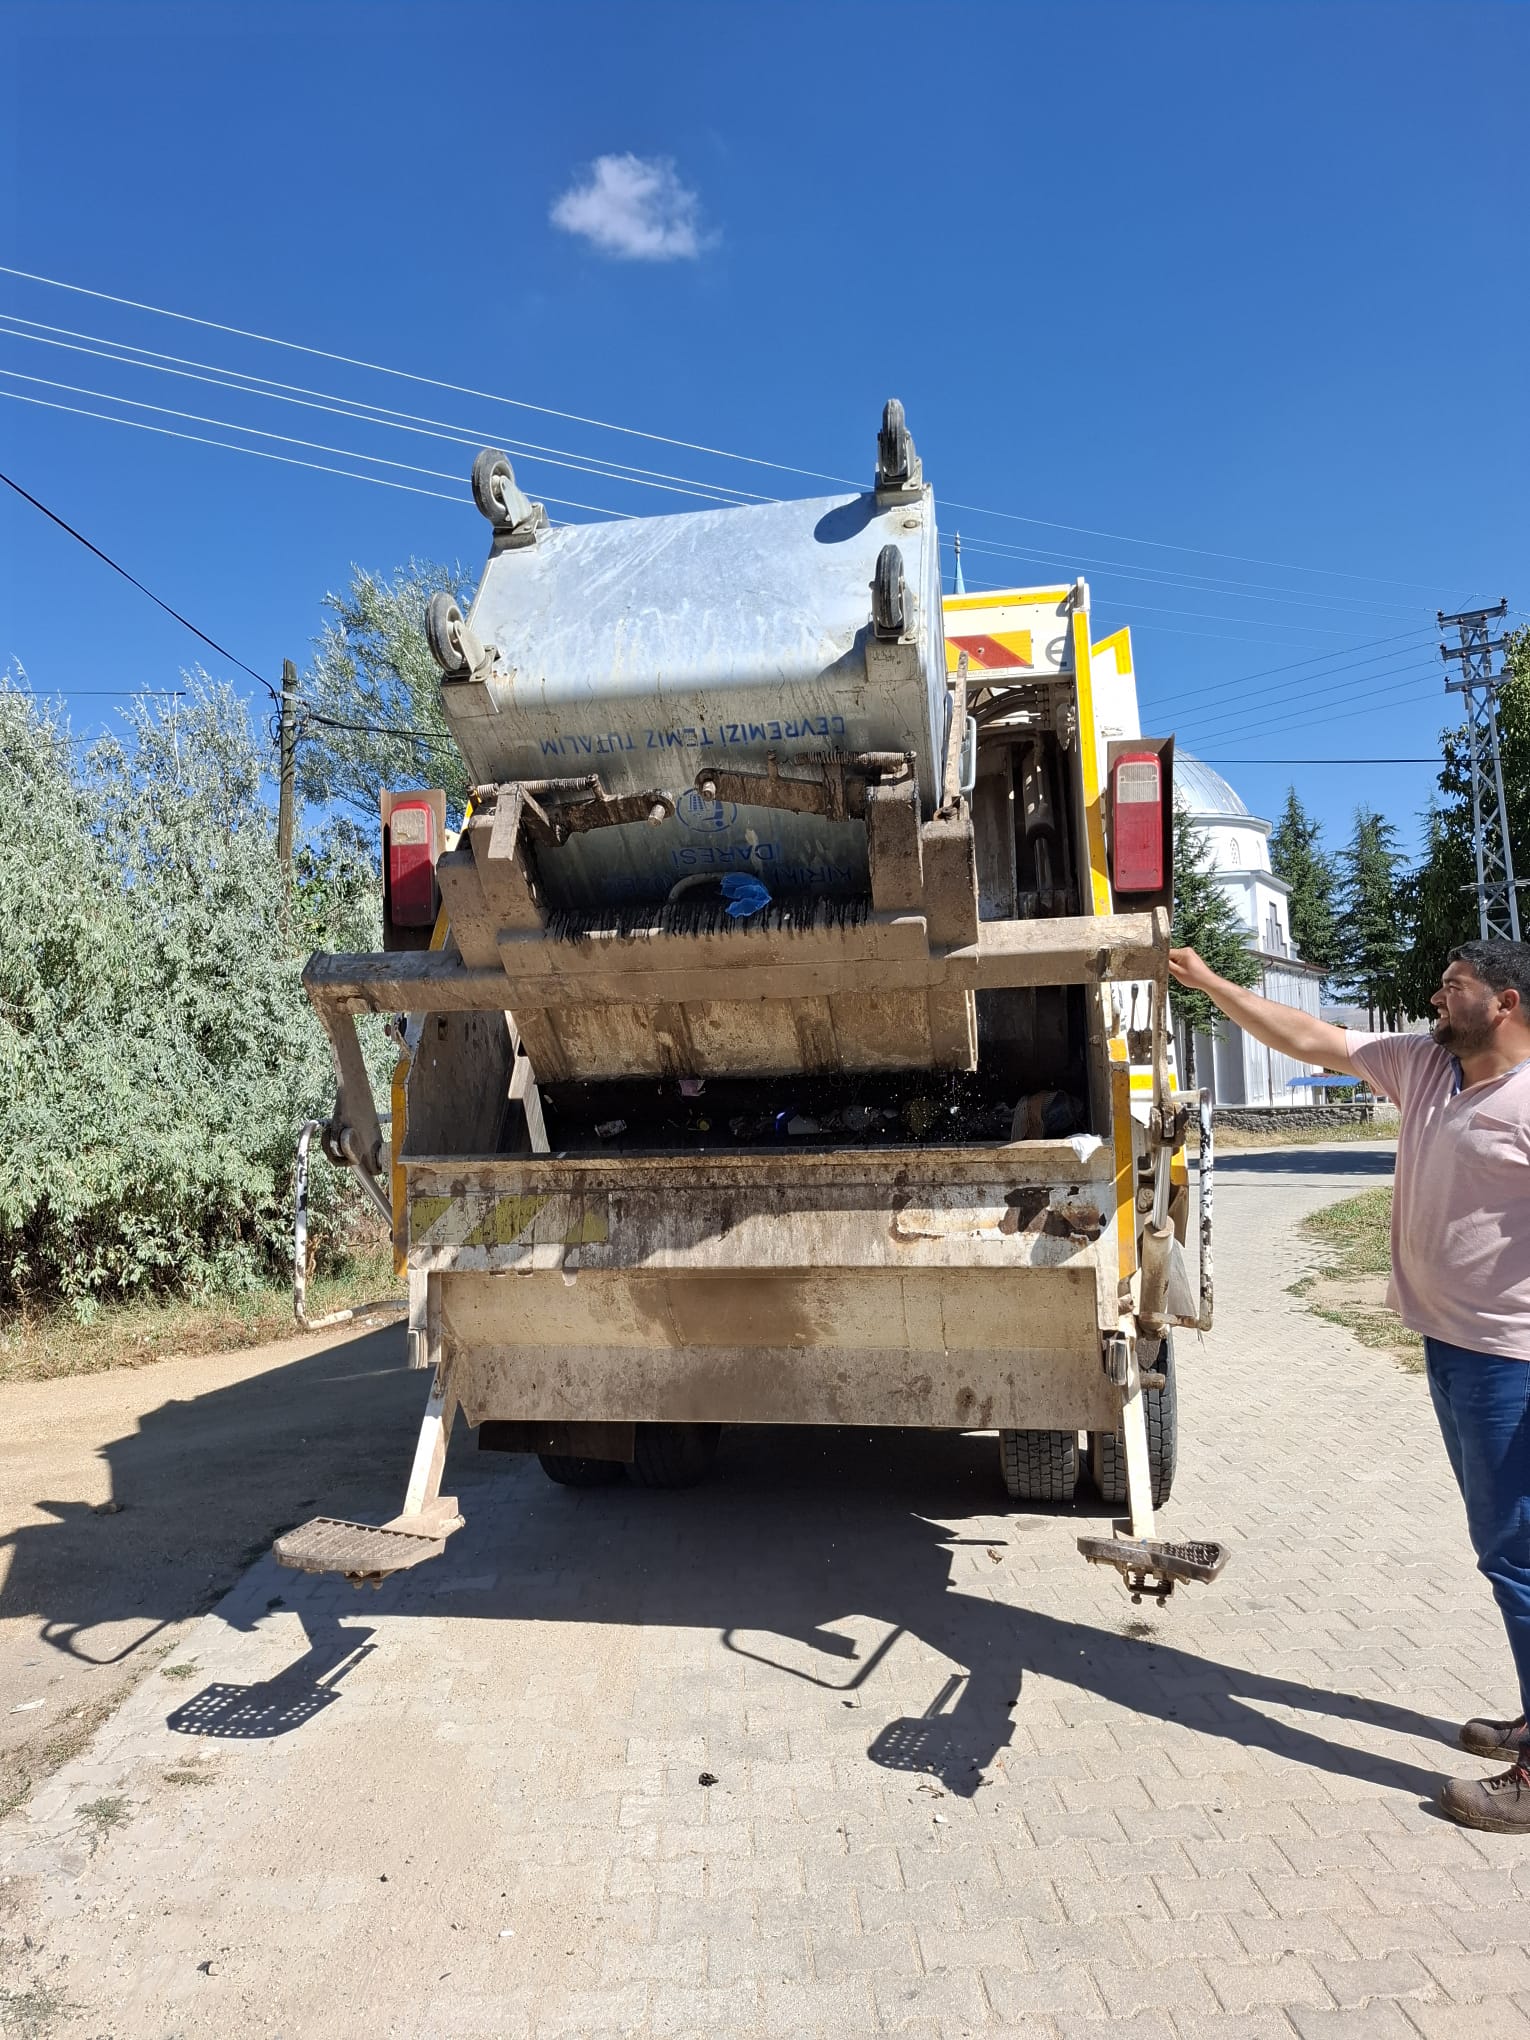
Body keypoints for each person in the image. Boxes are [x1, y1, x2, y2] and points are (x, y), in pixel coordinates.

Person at [1169, 937, 1530, 1833]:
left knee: (1519, 1558)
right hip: (1450, 1348)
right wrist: (1209, 981)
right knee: (1508, 1553)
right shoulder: (1424, 1068)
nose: (1436, 999)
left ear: (1508, 1003)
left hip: (1510, 1361)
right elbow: (1308, 1037)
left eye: (1455, 988)